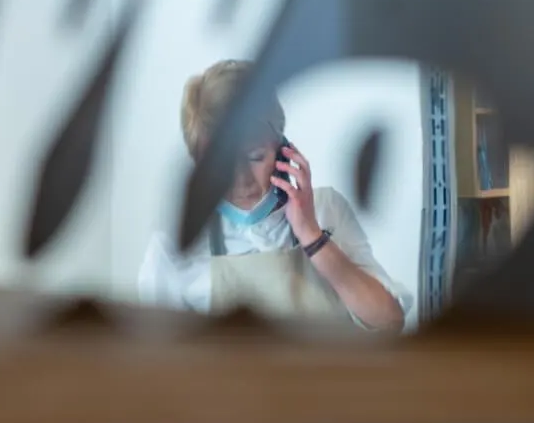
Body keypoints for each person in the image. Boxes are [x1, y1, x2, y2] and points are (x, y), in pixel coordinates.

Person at [137, 60, 408, 331]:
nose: (240, 179)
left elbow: (389, 320)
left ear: (283, 150)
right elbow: (156, 359)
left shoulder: (327, 209)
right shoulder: (175, 245)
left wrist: (312, 236)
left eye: (255, 156)